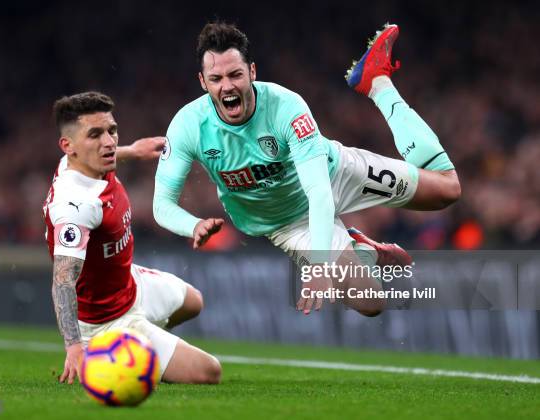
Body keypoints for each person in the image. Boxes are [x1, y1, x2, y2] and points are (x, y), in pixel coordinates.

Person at [150, 22, 461, 316]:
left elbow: (319, 190)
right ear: (203, 82)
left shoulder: (287, 107)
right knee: (371, 301)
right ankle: (362, 248)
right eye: (216, 79)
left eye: (235, 75)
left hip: (335, 175)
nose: (227, 86)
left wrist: (319, 266)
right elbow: (161, 205)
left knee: (447, 191)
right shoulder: (188, 126)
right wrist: (192, 226)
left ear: (252, 72)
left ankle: (377, 83)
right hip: (287, 223)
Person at [43, 91, 221, 386]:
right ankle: (112, 351)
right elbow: (62, 281)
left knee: (194, 302)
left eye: (111, 130)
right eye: (96, 135)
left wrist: (134, 150)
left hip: (129, 282)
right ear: (68, 146)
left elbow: (106, 150)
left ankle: (145, 347)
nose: (109, 142)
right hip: (106, 320)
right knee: (209, 372)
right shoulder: (75, 206)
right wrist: (74, 347)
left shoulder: (78, 162)